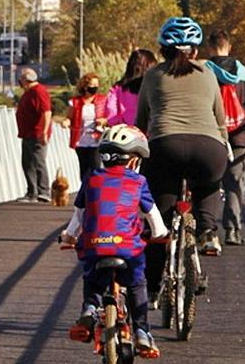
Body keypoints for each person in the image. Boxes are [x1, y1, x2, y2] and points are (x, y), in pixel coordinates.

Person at [135, 17, 229, 301]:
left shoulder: (152, 75)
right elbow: (221, 120)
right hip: (208, 149)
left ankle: (151, 288)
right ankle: (207, 229)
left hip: (165, 148)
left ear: (163, 49)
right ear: (195, 51)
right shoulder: (208, 73)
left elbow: (141, 120)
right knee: (209, 182)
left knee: (158, 224)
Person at [61, 125, 167, 358]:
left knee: (92, 277)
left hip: (95, 245)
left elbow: (78, 215)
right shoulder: (138, 182)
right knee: (138, 281)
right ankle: (142, 331)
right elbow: (154, 217)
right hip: (127, 248)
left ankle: (89, 309)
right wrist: (160, 234)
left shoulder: (91, 179)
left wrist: (69, 237)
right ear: (132, 160)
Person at [205, 30, 245, 246]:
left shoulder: (204, 70)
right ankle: (233, 229)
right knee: (234, 182)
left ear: (210, 47)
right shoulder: (242, 72)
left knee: (207, 181)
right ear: (230, 46)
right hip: (238, 134)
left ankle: (208, 231)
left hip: (210, 133)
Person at [16, 67, 52, 202]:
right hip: (28, 133)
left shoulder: (38, 91)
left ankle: (43, 191)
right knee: (28, 162)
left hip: (36, 133)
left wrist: (44, 131)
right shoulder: (29, 92)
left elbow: (46, 112)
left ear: (26, 80)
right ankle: (33, 192)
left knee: (37, 161)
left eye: (21, 79)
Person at [68, 73, 107, 179]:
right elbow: (69, 117)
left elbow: (109, 117)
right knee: (84, 169)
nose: (94, 87)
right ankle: (85, 192)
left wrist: (103, 121)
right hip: (81, 140)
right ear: (85, 86)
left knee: (95, 167)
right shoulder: (75, 102)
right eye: (92, 85)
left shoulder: (102, 101)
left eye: (96, 85)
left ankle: (95, 191)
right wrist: (66, 122)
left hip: (96, 139)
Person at [106, 49, 157, 126]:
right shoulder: (153, 88)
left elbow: (111, 112)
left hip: (125, 132)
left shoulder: (117, 89)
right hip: (149, 132)